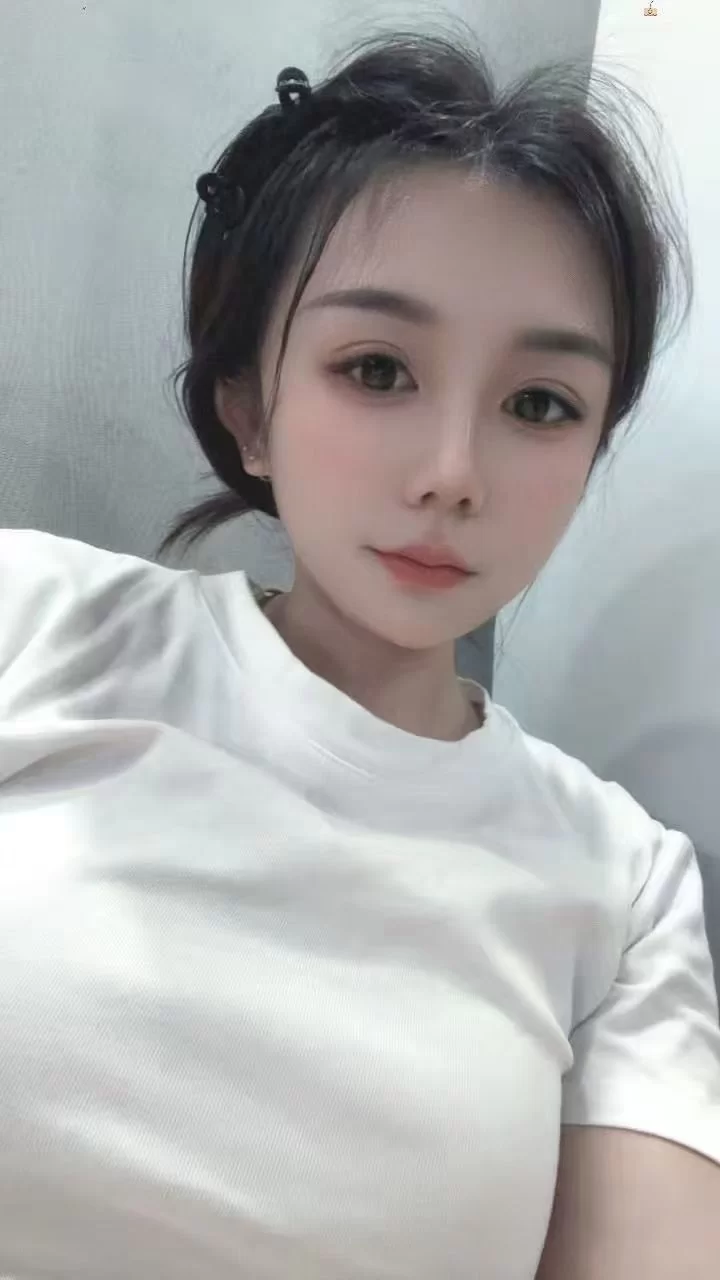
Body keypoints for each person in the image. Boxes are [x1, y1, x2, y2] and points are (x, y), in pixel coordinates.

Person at [0, 31, 718, 1280]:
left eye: (540, 403)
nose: (453, 472)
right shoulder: (32, 619)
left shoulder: (630, 886)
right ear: (248, 408)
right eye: (376, 369)